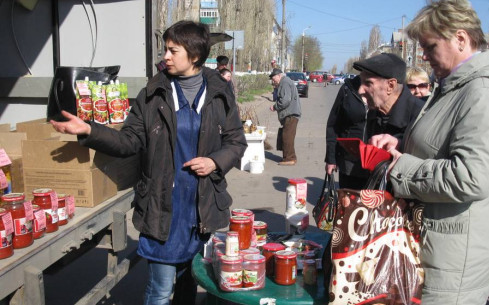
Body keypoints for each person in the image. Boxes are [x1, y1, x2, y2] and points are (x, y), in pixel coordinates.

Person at [50, 21, 247, 305]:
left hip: (201, 209)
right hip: (162, 208)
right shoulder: (153, 93)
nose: (165, 56)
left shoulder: (219, 92)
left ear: (193, 55)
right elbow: (130, 140)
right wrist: (90, 131)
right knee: (160, 291)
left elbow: (236, 141)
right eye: (165, 49)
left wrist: (215, 162)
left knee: (189, 286)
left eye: (172, 50)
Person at [370, 0, 489, 303]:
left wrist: (402, 167)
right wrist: (399, 148)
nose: (423, 57)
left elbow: (472, 176)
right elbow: (442, 148)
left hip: (454, 260)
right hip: (436, 244)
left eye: (429, 47)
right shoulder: (455, 86)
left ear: (461, 39)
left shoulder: (484, 94)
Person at [325, 53, 424, 189]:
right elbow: (334, 125)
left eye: (368, 83)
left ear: (391, 85)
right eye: (361, 82)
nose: (360, 90)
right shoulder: (376, 112)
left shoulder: (421, 116)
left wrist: (400, 146)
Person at [269, 68, 301, 166]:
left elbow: (285, 100)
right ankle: (290, 157)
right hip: (290, 113)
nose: (273, 81)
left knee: (287, 137)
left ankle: (289, 158)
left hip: (290, 114)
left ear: (279, 76)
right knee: (288, 136)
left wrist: (275, 106)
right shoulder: (285, 82)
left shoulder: (285, 83)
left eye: (273, 78)